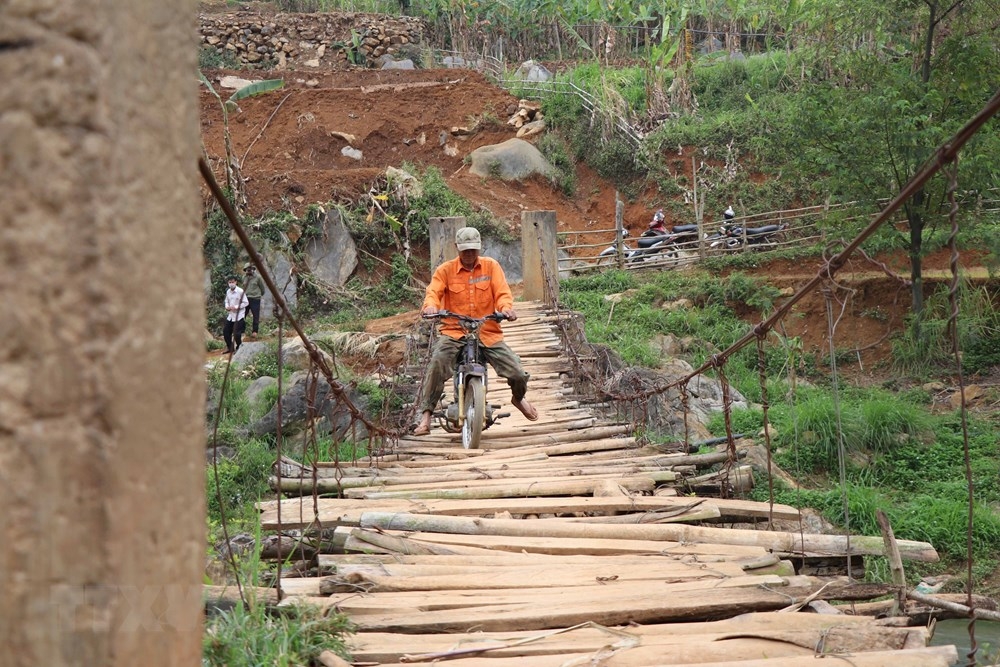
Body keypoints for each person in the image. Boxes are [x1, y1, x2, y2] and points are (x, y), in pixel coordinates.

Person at [413, 227, 538, 436]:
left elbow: (502, 292)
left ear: (479, 248)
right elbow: (433, 292)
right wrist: (431, 307)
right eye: (465, 251)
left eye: (473, 250)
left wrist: (506, 308)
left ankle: (518, 398)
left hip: (487, 331)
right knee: (437, 363)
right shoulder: (445, 270)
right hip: (454, 331)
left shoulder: (491, 267)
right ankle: (426, 416)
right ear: (457, 249)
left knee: (517, 371)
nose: (469, 255)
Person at [223, 276, 249, 354]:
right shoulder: (228, 291)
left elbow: (246, 302)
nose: (231, 284)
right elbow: (226, 301)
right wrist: (227, 307)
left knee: (237, 334)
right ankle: (230, 348)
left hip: (239, 315)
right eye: (229, 282)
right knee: (226, 332)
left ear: (236, 282)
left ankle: (239, 348)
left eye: (232, 282)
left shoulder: (240, 291)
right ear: (228, 283)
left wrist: (237, 307)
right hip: (231, 315)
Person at [242, 262, 265, 338]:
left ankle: (255, 331)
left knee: (256, 315)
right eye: (247, 270)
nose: (249, 271)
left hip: (255, 298)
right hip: (246, 299)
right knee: (243, 315)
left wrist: (258, 295)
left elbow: (262, 288)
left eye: (250, 269)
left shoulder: (258, 277)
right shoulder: (244, 277)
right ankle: (242, 331)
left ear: (253, 269)